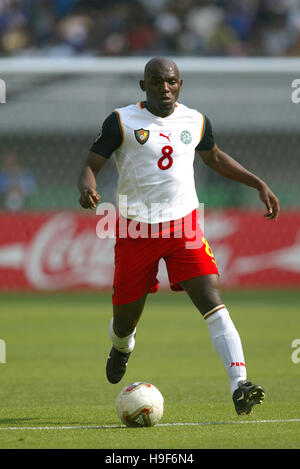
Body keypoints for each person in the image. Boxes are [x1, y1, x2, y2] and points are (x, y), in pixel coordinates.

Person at [77, 57, 280, 416]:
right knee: (124, 321)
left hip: (183, 227)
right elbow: (91, 164)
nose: (164, 88)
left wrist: (258, 183)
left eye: (171, 82)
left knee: (211, 297)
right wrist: (87, 186)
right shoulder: (121, 121)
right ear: (144, 86)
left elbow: (214, 158)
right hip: (136, 229)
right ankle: (122, 346)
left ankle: (240, 384)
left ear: (180, 84)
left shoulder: (196, 120)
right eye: (156, 82)